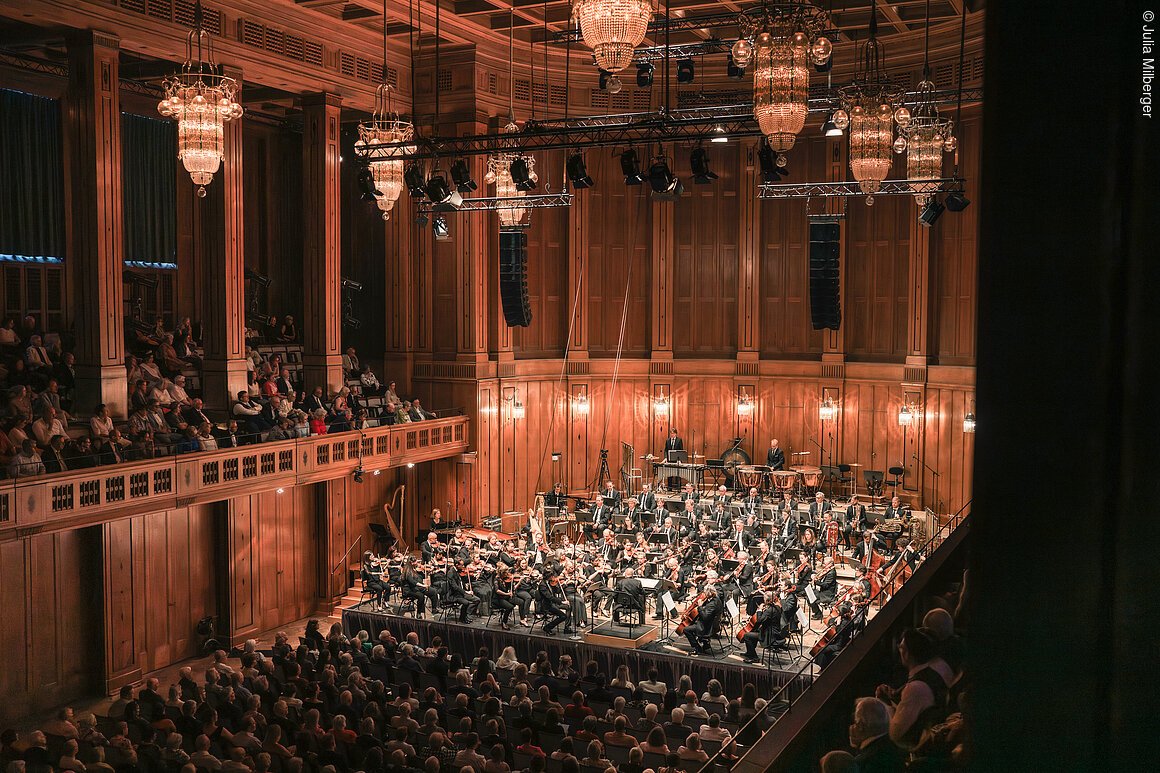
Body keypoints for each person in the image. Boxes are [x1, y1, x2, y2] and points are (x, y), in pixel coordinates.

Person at [876, 627, 952, 750]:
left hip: (917, 746)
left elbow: (895, 733)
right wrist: (893, 696)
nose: (899, 650)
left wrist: (884, 704)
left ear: (906, 653)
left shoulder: (916, 688)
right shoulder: (941, 665)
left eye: (900, 647)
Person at [846, 696, 906, 773]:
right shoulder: (894, 747)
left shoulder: (866, 761)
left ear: (861, 725)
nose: (852, 727)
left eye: (855, 722)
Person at [683, 573, 724, 656]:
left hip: (708, 627)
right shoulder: (714, 599)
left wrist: (700, 607)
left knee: (686, 630)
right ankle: (705, 643)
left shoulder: (713, 603)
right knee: (694, 622)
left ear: (709, 593)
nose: (704, 595)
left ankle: (697, 648)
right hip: (710, 623)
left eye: (705, 593)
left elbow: (705, 617)